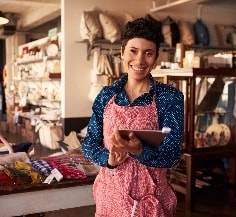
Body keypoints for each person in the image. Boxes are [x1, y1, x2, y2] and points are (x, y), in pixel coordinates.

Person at [81, 16, 184, 217]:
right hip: (111, 198)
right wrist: (108, 159)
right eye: (133, 51)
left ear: (156, 58)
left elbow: (172, 156)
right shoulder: (105, 96)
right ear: (122, 53)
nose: (139, 60)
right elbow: (89, 143)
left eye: (148, 53)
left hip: (152, 200)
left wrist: (140, 150)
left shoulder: (170, 98)